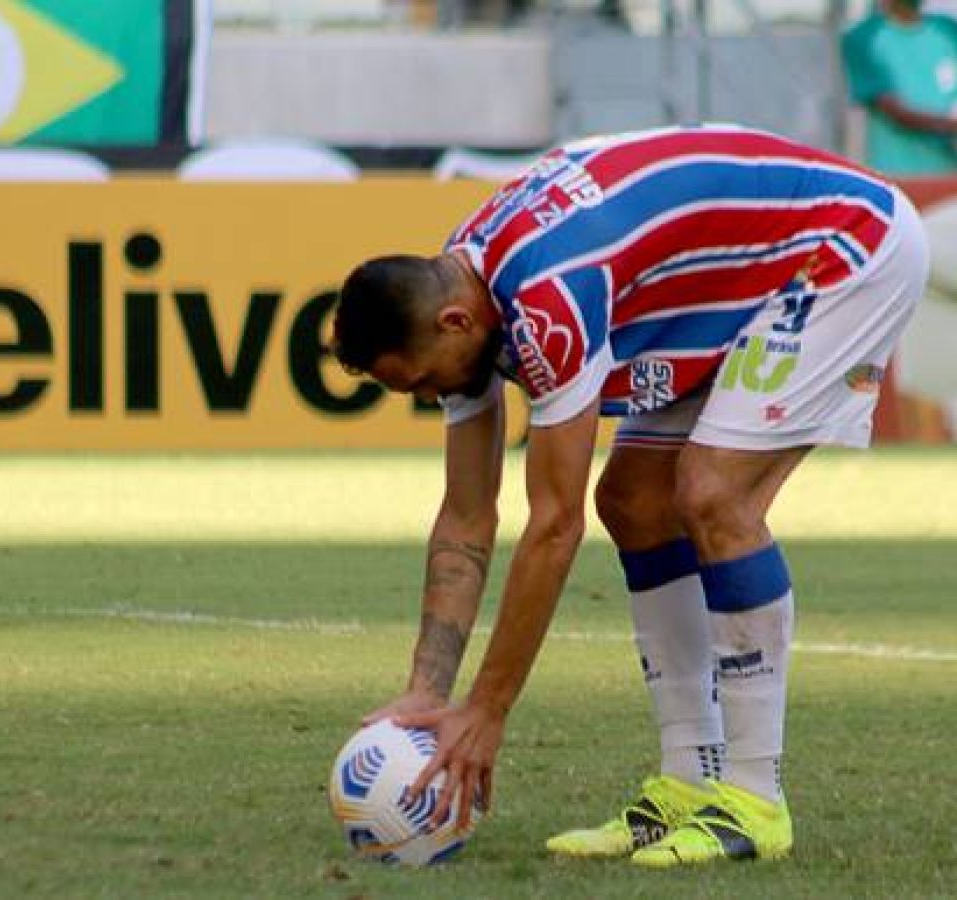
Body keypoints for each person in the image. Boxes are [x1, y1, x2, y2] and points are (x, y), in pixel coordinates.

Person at [331, 124, 927, 866]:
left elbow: (553, 526)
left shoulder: (544, 301)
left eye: (421, 381)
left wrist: (487, 710)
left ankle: (753, 799)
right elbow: (466, 513)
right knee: (636, 502)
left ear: (455, 323)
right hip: (729, 285)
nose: (428, 396)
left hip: (844, 249)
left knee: (714, 497)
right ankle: (689, 777)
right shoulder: (462, 295)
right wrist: (428, 689)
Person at [842, 0, 957, 175]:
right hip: (900, 176)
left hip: (949, 175)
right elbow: (896, 112)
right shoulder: (863, 37)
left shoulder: (947, 28)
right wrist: (950, 125)